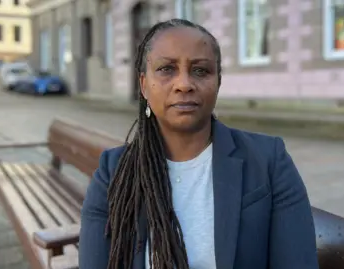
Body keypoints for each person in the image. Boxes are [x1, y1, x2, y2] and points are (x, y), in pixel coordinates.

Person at [79, 18, 319, 269]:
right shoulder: (112, 171)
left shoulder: (269, 160)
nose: (184, 84)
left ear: (218, 82)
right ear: (143, 86)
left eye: (201, 70)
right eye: (167, 69)